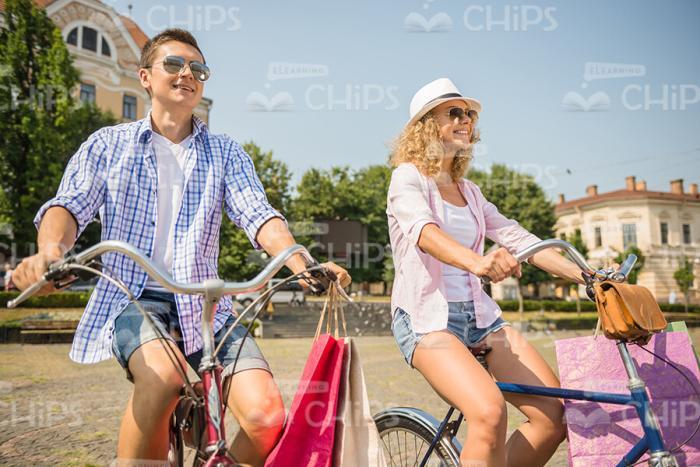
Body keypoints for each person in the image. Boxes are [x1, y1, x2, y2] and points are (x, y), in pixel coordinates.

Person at [12, 28, 350, 466]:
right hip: (132, 297)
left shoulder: (226, 153)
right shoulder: (107, 145)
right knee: (164, 380)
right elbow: (68, 207)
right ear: (146, 77)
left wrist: (300, 263)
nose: (187, 73)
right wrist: (50, 253)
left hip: (206, 306)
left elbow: (259, 215)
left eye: (198, 68)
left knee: (267, 417)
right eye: (174, 64)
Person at [387, 78, 597, 467]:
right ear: (426, 124)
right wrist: (478, 262)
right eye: (455, 112)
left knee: (553, 417)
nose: (466, 119)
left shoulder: (471, 192)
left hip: (481, 319)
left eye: (469, 113)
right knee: (489, 412)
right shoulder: (407, 178)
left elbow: (520, 240)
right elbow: (424, 233)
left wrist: (587, 275)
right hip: (426, 320)